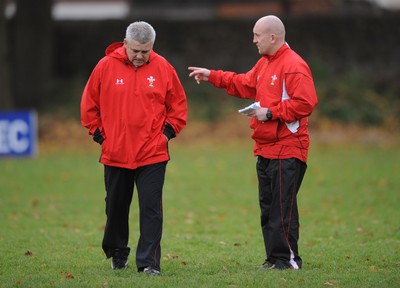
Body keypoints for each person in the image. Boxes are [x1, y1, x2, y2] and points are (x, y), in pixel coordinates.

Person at [188, 15, 318, 270]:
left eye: (257, 35)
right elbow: (245, 84)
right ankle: (273, 258)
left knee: (282, 209)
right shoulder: (264, 64)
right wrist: (212, 75)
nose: (253, 40)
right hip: (265, 147)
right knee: (268, 209)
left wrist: (270, 113)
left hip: (288, 148)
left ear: (273, 37)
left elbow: (306, 103)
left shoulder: (293, 65)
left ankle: (287, 260)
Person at [81, 21, 187, 275]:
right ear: (125, 44)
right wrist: (102, 138)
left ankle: (149, 263)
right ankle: (117, 252)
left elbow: (178, 108)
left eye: (146, 51)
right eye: (136, 50)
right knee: (115, 207)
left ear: (152, 47)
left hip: (152, 153)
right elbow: (88, 107)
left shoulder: (164, 68)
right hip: (115, 153)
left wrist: (165, 136)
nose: (140, 56)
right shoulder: (104, 66)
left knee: (151, 210)